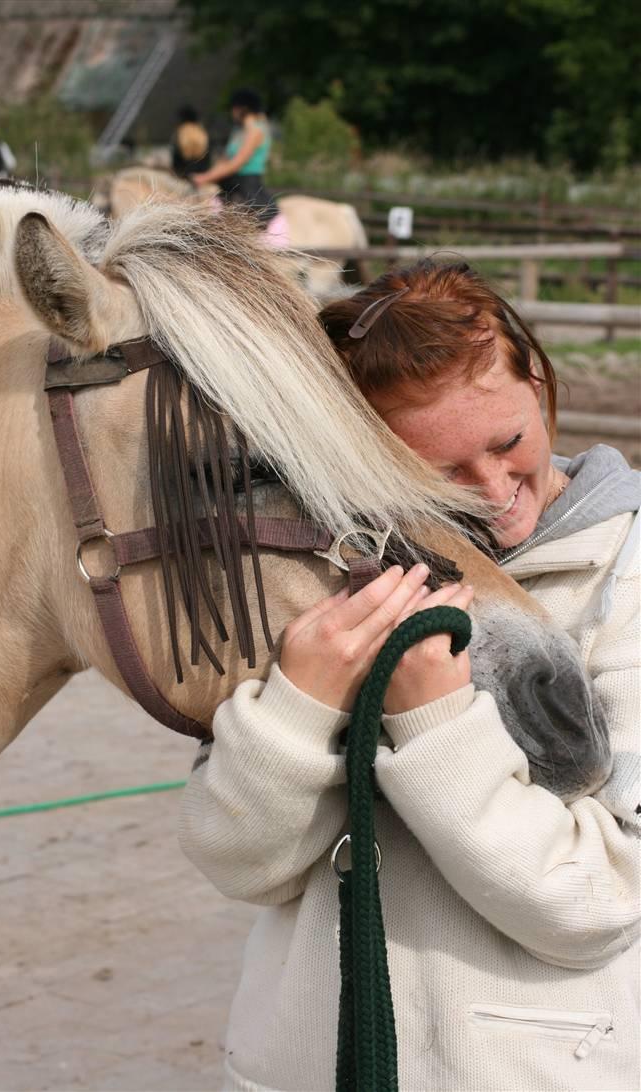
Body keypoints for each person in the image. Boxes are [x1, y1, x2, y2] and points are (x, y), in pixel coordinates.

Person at [178, 259, 640, 1092]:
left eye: (508, 442)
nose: (497, 493)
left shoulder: (629, 572)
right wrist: (296, 705)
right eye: (441, 472)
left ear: (536, 380)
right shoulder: (321, 566)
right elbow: (242, 865)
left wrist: (436, 726)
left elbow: (599, 903)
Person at [191, 88, 280, 226]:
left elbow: (236, 163)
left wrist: (204, 178)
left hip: (249, 188)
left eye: (233, 108)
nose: (232, 112)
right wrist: (206, 176)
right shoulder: (238, 132)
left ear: (242, 109)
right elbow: (224, 161)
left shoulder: (256, 131)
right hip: (230, 186)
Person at [170, 105, 211, 179]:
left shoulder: (180, 135)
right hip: (203, 176)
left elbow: (176, 163)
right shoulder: (203, 135)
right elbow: (208, 161)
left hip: (183, 177)